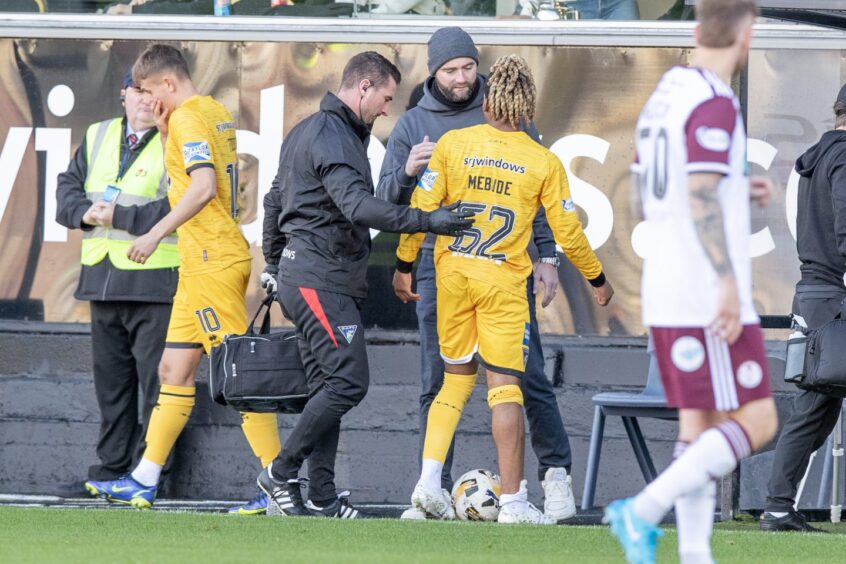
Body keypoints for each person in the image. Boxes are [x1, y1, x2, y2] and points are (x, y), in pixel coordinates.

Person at [393, 54, 613, 525]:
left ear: (489, 101)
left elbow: (422, 207)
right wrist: (596, 278)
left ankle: (427, 485)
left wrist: (403, 263)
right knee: (505, 390)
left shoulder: (454, 143)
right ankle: (513, 502)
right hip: (501, 283)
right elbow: (568, 232)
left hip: (452, 276)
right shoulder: (541, 160)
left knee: (452, 382)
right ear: (528, 108)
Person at [258, 51, 474, 519]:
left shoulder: (311, 132)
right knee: (347, 381)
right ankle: (280, 472)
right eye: (385, 98)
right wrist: (430, 221)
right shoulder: (333, 135)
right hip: (320, 279)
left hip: (314, 275)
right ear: (363, 88)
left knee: (326, 386)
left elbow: (276, 200)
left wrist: (276, 263)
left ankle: (320, 495)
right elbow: (359, 208)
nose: (385, 109)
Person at [605, 1, 778, 562]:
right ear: (747, 33)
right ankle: (645, 509)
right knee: (758, 419)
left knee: (698, 426)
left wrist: (732, 188)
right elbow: (700, 191)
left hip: (667, 281)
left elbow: (658, 183)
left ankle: (695, 556)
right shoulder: (712, 100)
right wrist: (727, 282)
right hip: (706, 290)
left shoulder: (666, 94)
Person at [84, 44, 282, 512]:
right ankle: (144, 477)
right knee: (174, 371)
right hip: (200, 265)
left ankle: (279, 481)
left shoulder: (190, 117)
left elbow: (202, 185)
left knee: (238, 377)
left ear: (168, 84)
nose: (148, 102)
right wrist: (162, 123)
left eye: (151, 92)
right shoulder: (210, 111)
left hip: (212, 260)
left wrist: (154, 234)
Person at [55, 70, 176, 493]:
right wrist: (82, 214)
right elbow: (67, 186)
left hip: (154, 282)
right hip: (101, 278)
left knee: (157, 386)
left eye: (150, 92)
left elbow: (181, 204)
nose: (144, 100)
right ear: (123, 95)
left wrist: (121, 217)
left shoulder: (173, 137)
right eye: (136, 91)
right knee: (112, 386)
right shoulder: (98, 134)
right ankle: (109, 471)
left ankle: (151, 473)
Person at [759, 85, 846, 533]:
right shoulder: (845, 158)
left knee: (817, 406)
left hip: (814, 293)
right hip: (836, 298)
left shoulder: (813, 157)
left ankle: (777, 507)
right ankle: (776, 508)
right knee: (815, 405)